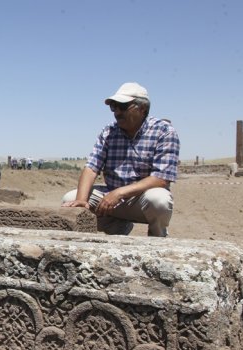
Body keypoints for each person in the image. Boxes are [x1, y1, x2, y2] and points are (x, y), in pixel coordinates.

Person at [62, 82, 180, 237]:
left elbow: (161, 179)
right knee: (70, 199)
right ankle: (117, 229)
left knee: (160, 200)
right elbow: (91, 168)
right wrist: (81, 201)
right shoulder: (109, 131)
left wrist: (120, 193)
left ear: (142, 109)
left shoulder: (164, 131)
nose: (117, 112)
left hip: (141, 198)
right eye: (114, 107)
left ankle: (157, 238)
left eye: (123, 107)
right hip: (110, 197)